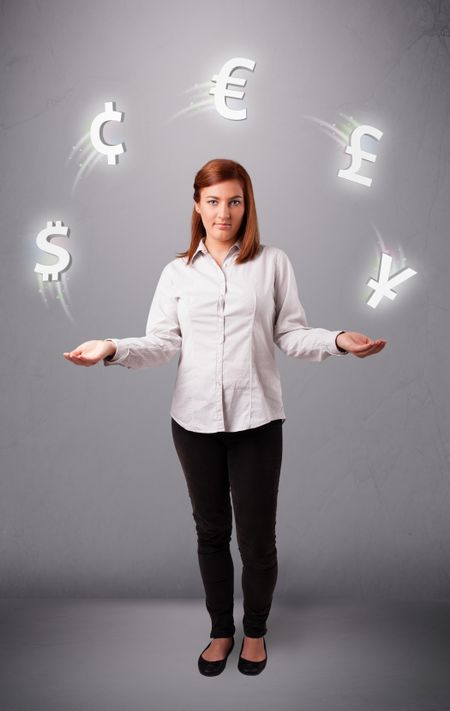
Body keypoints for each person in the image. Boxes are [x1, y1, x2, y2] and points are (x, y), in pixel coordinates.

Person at [63, 158, 386, 677]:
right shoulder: (176, 272)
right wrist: (110, 347)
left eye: (234, 201)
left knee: (257, 539)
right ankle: (220, 630)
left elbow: (289, 334)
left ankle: (255, 631)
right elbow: (161, 343)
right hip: (193, 424)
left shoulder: (273, 263)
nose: (223, 212)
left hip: (258, 420)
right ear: (197, 205)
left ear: (246, 204)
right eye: (213, 201)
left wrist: (338, 341)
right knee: (211, 534)